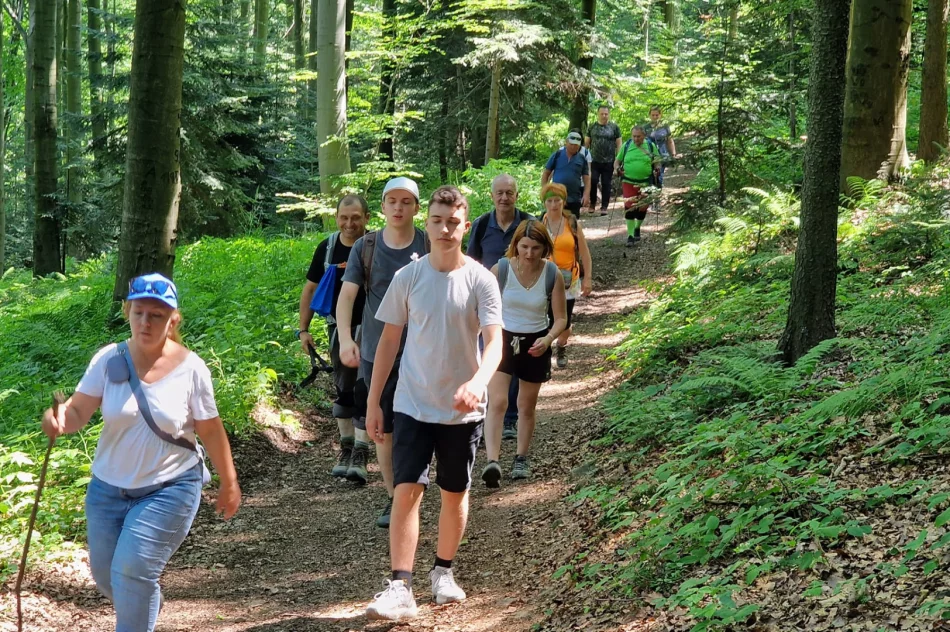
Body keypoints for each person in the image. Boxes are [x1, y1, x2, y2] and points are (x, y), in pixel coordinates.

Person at [41, 273, 241, 632]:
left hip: (170, 486)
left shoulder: (192, 369)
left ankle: (137, 605)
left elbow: (210, 429)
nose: (146, 322)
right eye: (139, 313)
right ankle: (143, 601)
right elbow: (77, 412)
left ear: (173, 319)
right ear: (127, 312)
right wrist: (57, 419)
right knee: (107, 576)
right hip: (107, 489)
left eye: (156, 315)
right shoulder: (108, 359)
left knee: (132, 570)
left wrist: (229, 481)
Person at [364, 185, 503, 621]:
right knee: (406, 489)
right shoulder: (409, 277)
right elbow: (388, 342)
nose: (445, 229)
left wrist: (478, 382)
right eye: (438, 222)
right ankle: (400, 586)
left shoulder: (481, 279)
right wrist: (373, 402)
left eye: (453, 222)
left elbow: (495, 342)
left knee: (454, 491)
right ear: (427, 224)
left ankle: (443, 571)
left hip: (463, 411)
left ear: (466, 226)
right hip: (412, 403)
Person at [337, 177, 429, 529]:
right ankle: (395, 497)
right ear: (383, 206)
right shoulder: (366, 247)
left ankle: (413, 486)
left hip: (422, 351)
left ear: (416, 207)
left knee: (418, 426)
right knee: (384, 428)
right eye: (392, 201)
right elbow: (347, 297)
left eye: (406, 202)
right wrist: (346, 339)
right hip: (377, 352)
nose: (398, 208)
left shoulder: (428, 241)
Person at [482, 220, 567, 486]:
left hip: (536, 341)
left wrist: (549, 339)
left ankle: (521, 457)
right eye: (524, 247)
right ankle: (492, 461)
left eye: (536, 248)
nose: (529, 253)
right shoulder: (501, 270)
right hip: (502, 339)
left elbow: (561, 318)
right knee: (497, 401)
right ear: (515, 245)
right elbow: (482, 308)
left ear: (545, 248)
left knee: (525, 405)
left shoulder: (552, 274)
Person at [297, 195, 369, 481]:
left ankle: (362, 452)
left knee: (366, 388)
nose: (349, 223)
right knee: (344, 388)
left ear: (366, 218)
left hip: (374, 328)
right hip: (338, 329)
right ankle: (346, 448)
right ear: (336, 218)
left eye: (355, 217)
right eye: (344, 217)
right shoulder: (327, 248)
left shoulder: (376, 245)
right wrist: (304, 329)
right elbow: (310, 289)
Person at [466, 174, 535, 442]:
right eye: (500, 193)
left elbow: (542, 259)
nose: (504, 198)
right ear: (492, 196)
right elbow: (471, 263)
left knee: (515, 358)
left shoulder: (529, 223)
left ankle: (510, 418)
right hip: (487, 304)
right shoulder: (482, 225)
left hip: (521, 302)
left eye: (509, 193)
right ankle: (485, 416)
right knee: (486, 358)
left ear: (517, 195)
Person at [540, 183, 592, 369]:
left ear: (563, 202)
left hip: (568, 279)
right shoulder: (539, 224)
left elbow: (584, 253)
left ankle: (561, 345)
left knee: (565, 321)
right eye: (549, 201)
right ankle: (544, 351)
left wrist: (588, 278)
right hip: (543, 279)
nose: (553, 205)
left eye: (557, 200)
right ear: (544, 203)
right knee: (544, 319)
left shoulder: (572, 223)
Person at [615, 125, 660, 247]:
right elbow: (617, 161)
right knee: (629, 206)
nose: (636, 139)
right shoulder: (627, 145)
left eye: (638, 136)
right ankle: (630, 236)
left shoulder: (650, 146)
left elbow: (657, 161)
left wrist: (657, 169)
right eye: (634, 136)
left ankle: (637, 227)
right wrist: (617, 169)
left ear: (644, 136)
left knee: (643, 206)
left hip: (646, 181)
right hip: (628, 181)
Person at [541, 129, 591, 215]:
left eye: (576, 145)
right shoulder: (557, 155)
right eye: (571, 144)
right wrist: (545, 191)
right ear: (566, 142)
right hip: (556, 197)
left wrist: (586, 194)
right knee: (556, 220)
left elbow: (586, 178)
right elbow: (546, 173)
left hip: (574, 198)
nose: (573, 147)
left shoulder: (582, 158)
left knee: (573, 221)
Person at [585, 105, 623, 216]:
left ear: (609, 114)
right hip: (594, 160)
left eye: (606, 114)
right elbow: (586, 143)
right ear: (598, 114)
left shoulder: (614, 127)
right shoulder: (592, 127)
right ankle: (592, 203)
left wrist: (618, 159)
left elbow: (619, 144)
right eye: (602, 114)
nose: (604, 116)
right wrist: (584, 157)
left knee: (606, 183)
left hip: (609, 161)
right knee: (593, 181)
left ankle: (604, 206)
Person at [643, 106, 677, 189]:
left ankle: (658, 190)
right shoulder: (645, 127)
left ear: (660, 115)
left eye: (657, 115)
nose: (655, 117)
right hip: (650, 155)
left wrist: (673, 153)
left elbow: (670, 140)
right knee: (650, 175)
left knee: (659, 175)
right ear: (649, 115)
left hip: (662, 154)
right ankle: (651, 191)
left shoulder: (665, 127)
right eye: (653, 115)